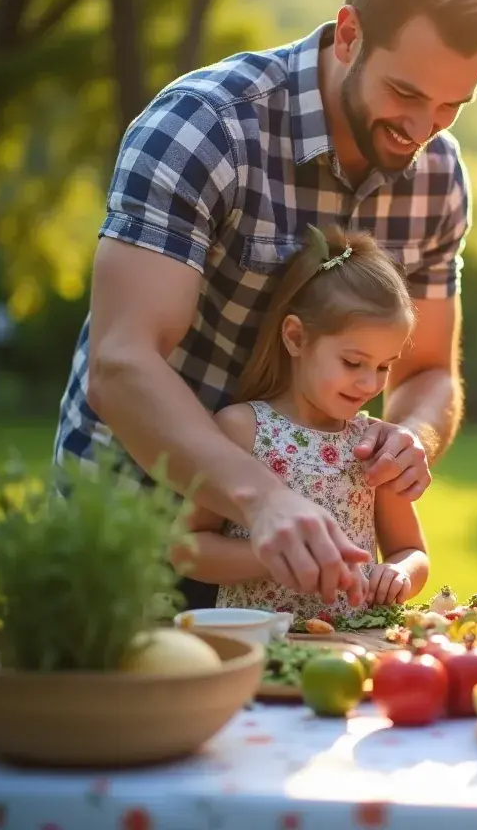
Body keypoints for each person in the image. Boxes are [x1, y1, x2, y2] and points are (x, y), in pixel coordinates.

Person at [54, 0, 477, 611]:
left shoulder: (438, 177)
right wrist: (262, 499)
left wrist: (411, 439)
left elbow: (428, 371)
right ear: (350, 34)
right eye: (405, 93)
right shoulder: (204, 125)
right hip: (133, 533)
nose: (423, 129)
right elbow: (123, 365)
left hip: (306, 577)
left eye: (452, 104)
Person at [172, 225, 428, 617]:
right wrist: (272, 554)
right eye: (352, 362)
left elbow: (412, 552)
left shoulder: (373, 447)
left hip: (356, 645)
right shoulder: (243, 429)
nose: (369, 382)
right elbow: (187, 550)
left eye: (383, 366)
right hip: (264, 647)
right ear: (295, 337)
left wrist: (399, 574)